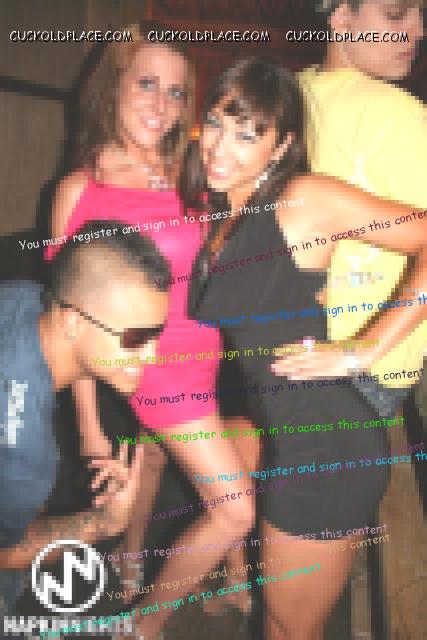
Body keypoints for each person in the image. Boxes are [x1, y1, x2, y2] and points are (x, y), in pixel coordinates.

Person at [182, 57, 427, 640]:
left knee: (291, 630)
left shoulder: (302, 201)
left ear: (283, 145)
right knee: (278, 621)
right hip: (285, 435)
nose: (221, 146)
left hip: (328, 450)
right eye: (216, 123)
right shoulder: (223, 215)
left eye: (248, 134)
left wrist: (364, 349)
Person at [48, 24, 254, 640]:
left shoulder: (191, 169)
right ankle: (143, 626)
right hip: (155, 369)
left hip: (205, 353)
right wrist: (89, 427)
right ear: (113, 85)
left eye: (174, 91)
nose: (161, 104)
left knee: (155, 457)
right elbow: (70, 317)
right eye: (145, 84)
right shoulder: (82, 189)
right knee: (235, 511)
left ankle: (133, 560)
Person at [0, 222, 169, 632]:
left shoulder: (25, 299)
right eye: (136, 338)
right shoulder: (24, 450)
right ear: (73, 323)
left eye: (156, 335)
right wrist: (105, 523)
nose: (152, 356)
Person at [298, 0, 426, 416]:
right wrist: (363, 351)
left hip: (297, 353)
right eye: (396, 15)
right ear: (340, 17)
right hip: (363, 369)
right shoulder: (399, 114)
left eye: (420, 15)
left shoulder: (288, 91)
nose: (418, 30)